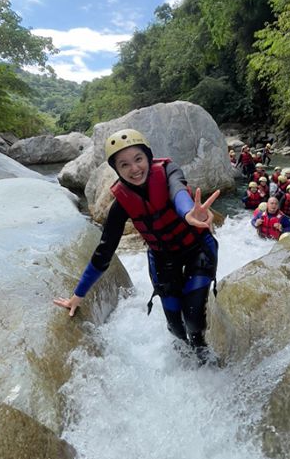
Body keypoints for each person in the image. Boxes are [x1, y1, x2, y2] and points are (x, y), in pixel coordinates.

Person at [54, 129, 220, 363]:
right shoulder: (121, 203)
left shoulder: (168, 172)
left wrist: (188, 213)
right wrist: (77, 296)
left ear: (148, 158)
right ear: (117, 170)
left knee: (193, 318)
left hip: (196, 248)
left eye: (138, 159)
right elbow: (104, 253)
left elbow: (178, 192)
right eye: (124, 165)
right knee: (175, 327)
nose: (134, 169)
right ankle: (186, 359)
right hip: (164, 258)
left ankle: (202, 354)